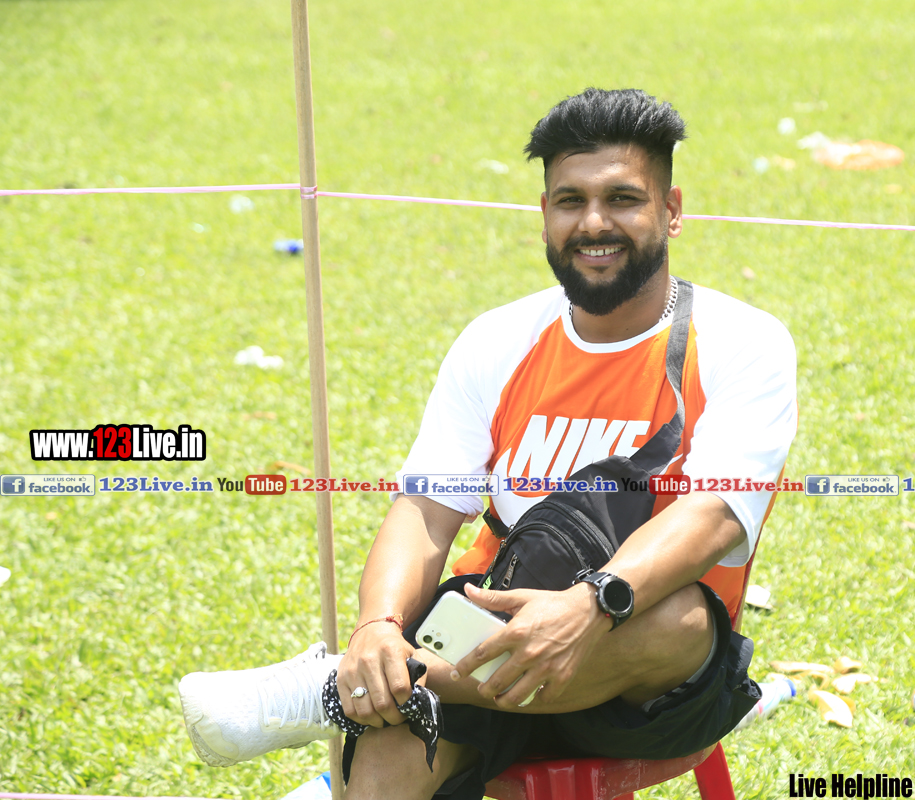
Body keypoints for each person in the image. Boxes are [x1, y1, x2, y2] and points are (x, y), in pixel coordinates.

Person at [179, 87, 797, 800]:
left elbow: (714, 515)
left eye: (623, 199)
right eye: (570, 201)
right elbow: (426, 509)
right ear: (545, 214)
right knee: (386, 765)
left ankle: (336, 690)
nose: (594, 223)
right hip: (479, 631)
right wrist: (377, 625)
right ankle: (379, 679)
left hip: (642, 677)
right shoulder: (498, 339)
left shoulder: (741, 340)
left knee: (678, 621)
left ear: (672, 210)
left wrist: (588, 606)